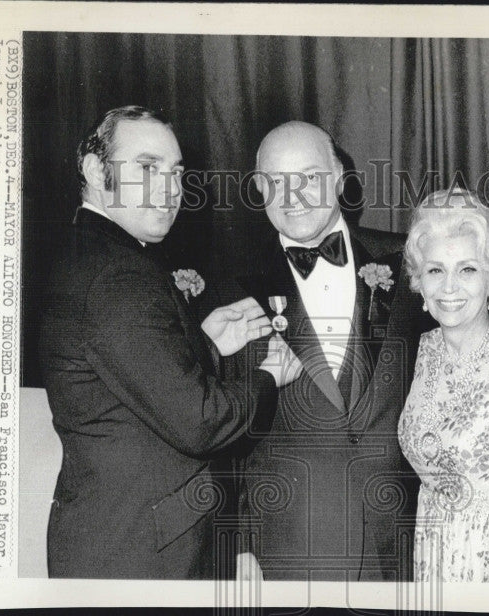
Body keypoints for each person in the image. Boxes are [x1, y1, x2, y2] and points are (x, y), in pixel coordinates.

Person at [38, 106, 300, 579]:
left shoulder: (92, 254)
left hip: (118, 542)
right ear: (96, 172)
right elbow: (201, 424)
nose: (171, 190)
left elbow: (121, 384)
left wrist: (206, 346)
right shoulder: (120, 273)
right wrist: (270, 375)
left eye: (176, 173)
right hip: (138, 555)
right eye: (147, 168)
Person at [229, 121, 423, 581]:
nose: (292, 195)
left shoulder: (411, 263)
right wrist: (238, 545)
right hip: (286, 548)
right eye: (276, 182)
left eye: (309, 178)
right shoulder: (231, 285)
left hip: (398, 545)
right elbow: (221, 428)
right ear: (259, 189)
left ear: (339, 178)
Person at [398, 188, 489, 582]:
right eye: (435, 270)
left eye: (467, 269)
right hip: (431, 555)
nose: (449, 287)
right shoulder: (419, 352)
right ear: (419, 282)